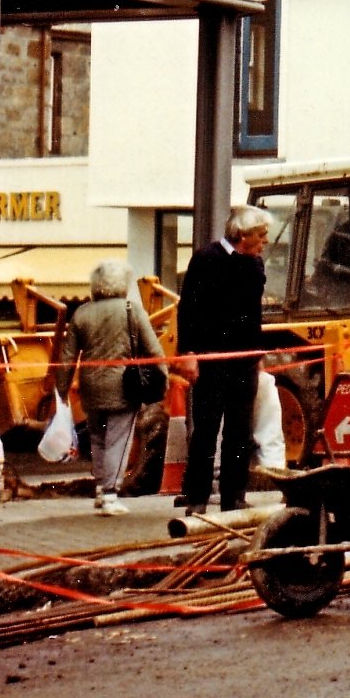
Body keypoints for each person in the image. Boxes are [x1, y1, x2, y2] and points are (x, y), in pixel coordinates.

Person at [49, 260, 166, 516]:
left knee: (98, 439)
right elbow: (154, 350)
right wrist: (163, 380)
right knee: (118, 441)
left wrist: (62, 391)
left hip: (90, 386)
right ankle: (111, 494)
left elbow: (67, 358)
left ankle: (102, 489)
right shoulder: (131, 310)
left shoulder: (81, 313)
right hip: (123, 386)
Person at [174, 206, 271, 515]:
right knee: (206, 429)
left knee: (240, 430)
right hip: (211, 359)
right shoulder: (206, 259)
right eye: (261, 235)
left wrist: (256, 353)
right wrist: (189, 354)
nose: (265, 241)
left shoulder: (254, 264)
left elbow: (254, 315)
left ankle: (234, 497)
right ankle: (197, 497)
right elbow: (188, 310)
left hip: (243, 361)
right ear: (243, 234)